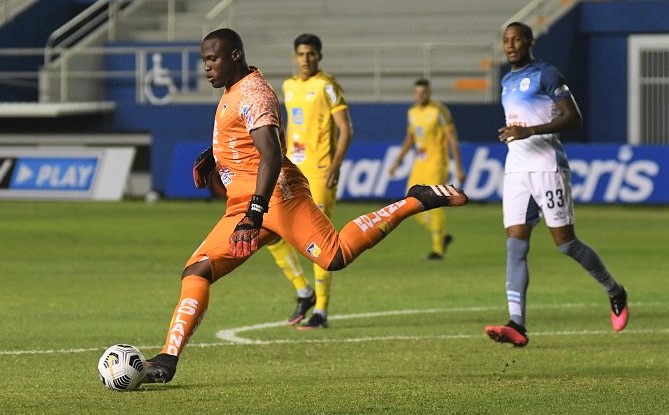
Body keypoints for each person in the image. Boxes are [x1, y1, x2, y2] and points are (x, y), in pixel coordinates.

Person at [143, 28, 468, 384]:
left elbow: (270, 155)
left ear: (235, 55)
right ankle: (167, 358)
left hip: (278, 197)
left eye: (212, 58)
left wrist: (254, 214)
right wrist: (219, 158)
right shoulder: (233, 91)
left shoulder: (254, 94)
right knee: (197, 271)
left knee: (334, 257)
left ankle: (415, 200)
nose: (206, 66)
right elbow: (246, 145)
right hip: (245, 204)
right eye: (204, 59)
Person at [483, 22, 628, 347]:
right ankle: (517, 324)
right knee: (515, 245)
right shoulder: (506, 81)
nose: (510, 45)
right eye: (506, 40)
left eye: (516, 39)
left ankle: (614, 290)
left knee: (566, 245)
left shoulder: (546, 74)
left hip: (547, 166)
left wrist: (529, 131)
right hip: (517, 170)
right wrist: (517, 135)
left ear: (530, 42)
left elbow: (574, 117)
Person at [265, 33, 353, 330]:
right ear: (295, 56)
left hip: (319, 171)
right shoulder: (288, 87)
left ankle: (322, 312)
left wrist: (335, 166)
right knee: (268, 229)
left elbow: (345, 129)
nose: (306, 59)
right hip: (293, 170)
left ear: (319, 56)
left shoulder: (327, 86)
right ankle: (304, 291)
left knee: (320, 239)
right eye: (301, 54)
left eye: (311, 54)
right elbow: (289, 128)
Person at [389, 78, 466, 260]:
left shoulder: (439, 110)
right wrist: (397, 161)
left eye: (423, 92)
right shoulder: (412, 112)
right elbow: (410, 139)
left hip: (437, 163)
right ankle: (441, 235)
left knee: (434, 204)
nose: (420, 95)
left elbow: (452, 140)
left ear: (429, 93)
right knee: (410, 202)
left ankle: (438, 249)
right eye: (417, 92)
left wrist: (459, 167)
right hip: (419, 163)